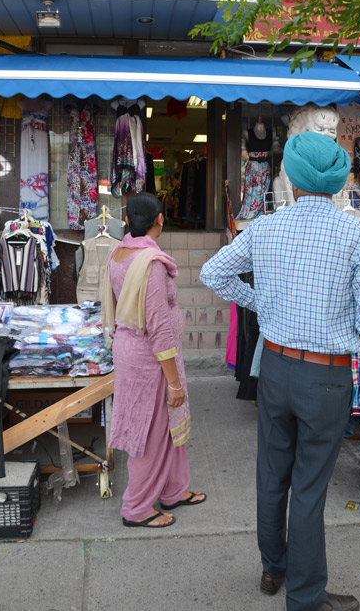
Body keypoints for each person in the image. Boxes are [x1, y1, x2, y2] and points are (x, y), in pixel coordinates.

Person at [200, 131, 360, 611]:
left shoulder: (265, 227)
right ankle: (306, 597)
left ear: (288, 175)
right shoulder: (357, 234)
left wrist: (261, 304)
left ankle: (273, 569)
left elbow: (212, 273)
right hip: (325, 377)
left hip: (276, 368)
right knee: (308, 486)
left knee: (272, 473)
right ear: (338, 180)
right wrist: (337, 321)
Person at [103, 192, 206, 528]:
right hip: (151, 359)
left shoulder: (119, 252)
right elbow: (159, 327)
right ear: (159, 220)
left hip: (131, 349)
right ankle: (136, 508)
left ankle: (174, 489)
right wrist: (173, 381)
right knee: (149, 431)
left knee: (167, 425)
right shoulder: (152, 264)